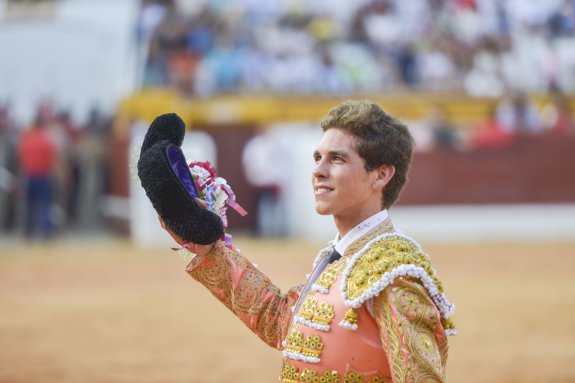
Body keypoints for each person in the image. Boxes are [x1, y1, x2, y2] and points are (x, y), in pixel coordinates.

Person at [159, 100, 456, 382]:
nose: (318, 170)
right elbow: (280, 321)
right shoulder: (338, 255)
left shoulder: (395, 273)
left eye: (337, 158)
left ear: (380, 175)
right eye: (318, 158)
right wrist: (207, 249)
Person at [18, 113, 58, 239]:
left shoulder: (26, 141)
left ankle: (28, 231)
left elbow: (21, 161)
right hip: (44, 176)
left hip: (30, 176)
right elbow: (53, 161)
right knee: (45, 205)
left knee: (29, 205)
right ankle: (46, 231)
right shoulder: (47, 142)